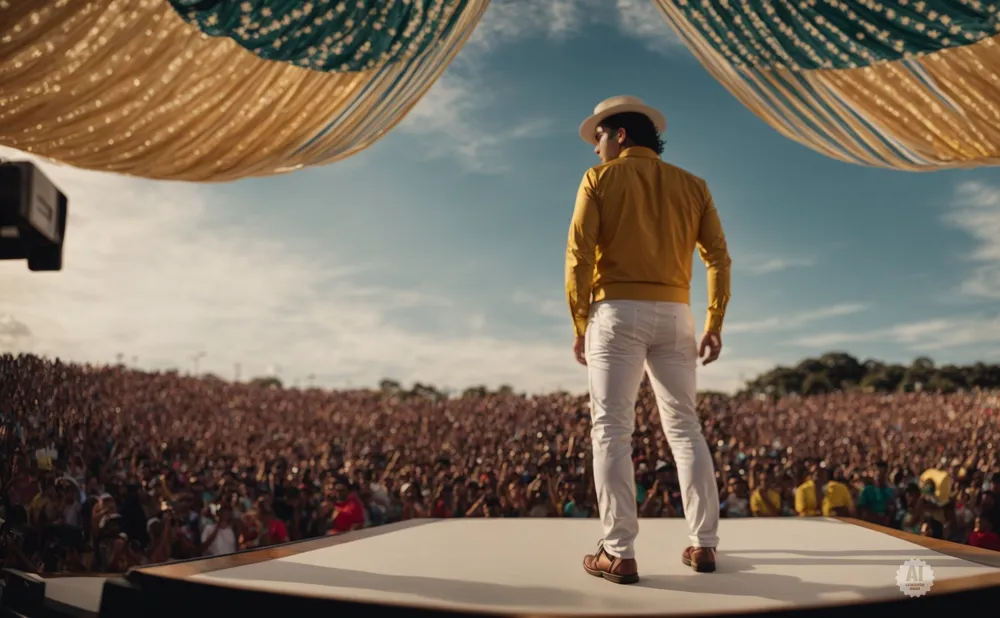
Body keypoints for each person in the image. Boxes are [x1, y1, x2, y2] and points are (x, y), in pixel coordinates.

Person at [569, 95, 731, 584]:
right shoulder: (694, 185)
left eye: (598, 137)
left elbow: (579, 255)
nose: (595, 149)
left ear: (620, 135)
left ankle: (619, 552)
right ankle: (703, 545)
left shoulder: (600, 178)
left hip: (616, 312)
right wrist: (714, 320)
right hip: (678, 315)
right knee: (686, 428)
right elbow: (718, 259)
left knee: (612, 430)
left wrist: (579, 322)